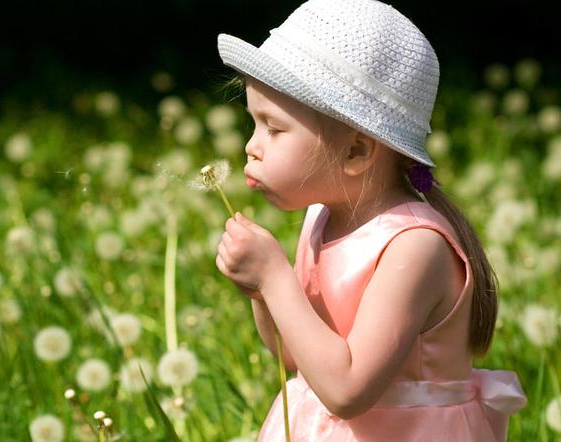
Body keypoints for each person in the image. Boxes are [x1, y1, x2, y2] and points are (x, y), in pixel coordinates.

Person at [213, 0, 527, 440]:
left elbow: (347, 392)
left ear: (356, 151)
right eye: (254, 124)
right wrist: (261, 292)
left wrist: (275, 278)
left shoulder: (414, 247)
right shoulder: (319, 218)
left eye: (274, 129)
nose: (252, 146)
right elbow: (293, 359)